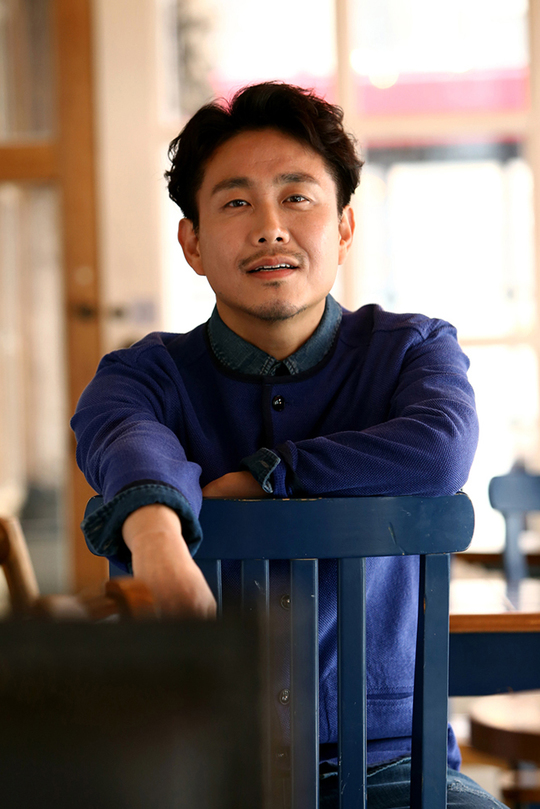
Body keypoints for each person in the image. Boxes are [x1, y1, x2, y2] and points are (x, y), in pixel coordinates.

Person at [72, 82, 504, 808]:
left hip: (395, 768)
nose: (271, 228)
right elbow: (126, 437)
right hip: (198, 772)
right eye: (236, 203)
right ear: (193, 242)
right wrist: (157, 537)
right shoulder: (143, 373)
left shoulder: (412, 350)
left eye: (297, 197)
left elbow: (439, 447)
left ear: (343, 227)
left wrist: (262, 476)